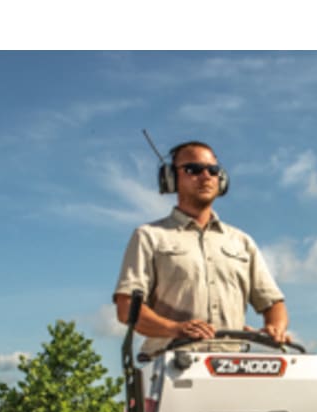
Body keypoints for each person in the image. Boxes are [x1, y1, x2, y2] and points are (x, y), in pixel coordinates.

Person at [113, 140, 289, 357]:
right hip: (168, 366)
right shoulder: (149, 236)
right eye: (193, 169)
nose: (205, 176)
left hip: (233, 367)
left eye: (213, 170)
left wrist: (275, 327)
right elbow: (127, 309)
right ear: (170, 177)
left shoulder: (242, 242)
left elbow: (273, 303)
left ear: (221, 179)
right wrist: (175, 329)